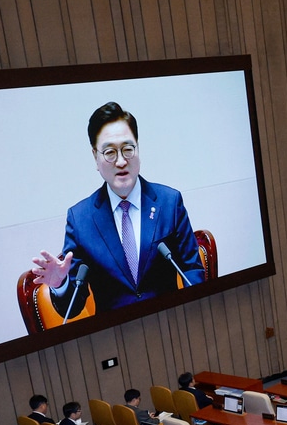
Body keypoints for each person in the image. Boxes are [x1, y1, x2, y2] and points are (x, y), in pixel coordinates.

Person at [30, 102, 204, 320]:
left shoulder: (170, 202)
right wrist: (60, 284)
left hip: (171, 325)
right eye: (110, 152)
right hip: (116, 337)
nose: (121, 161)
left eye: (128, 149)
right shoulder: (80, 220)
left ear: (138, 149)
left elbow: (191, 271)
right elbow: (72, 308)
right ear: (95, 157)